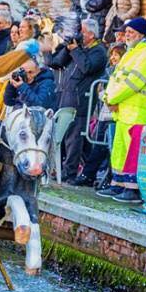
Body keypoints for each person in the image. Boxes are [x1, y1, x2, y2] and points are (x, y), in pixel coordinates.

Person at [97, 17, 146, 203]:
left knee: (132, 151)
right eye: (126, 33)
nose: (127, 36)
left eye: (131, 32)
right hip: (123, 110)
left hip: (138, 111)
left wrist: (112, 98)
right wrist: (108, 98)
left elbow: (132, 83)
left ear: (141, 34)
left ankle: (132, 188)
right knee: (119, 149)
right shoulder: (132, 52)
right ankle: (118, 183)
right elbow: (116, 78)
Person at [48, 18, 108, 178]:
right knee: (67, 136)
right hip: (66, 97)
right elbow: (56, 63)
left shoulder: (99, 51)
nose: (79, 35)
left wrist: (75, 50)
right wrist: (68, 48)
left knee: (73, 139)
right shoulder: (79, 48)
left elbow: (87, 67)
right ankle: (68, 170)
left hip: (81, 101)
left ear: (91, 34)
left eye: (82, 31)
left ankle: (70, 173)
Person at [72, 42, 128, 187]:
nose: (114, 57)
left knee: (107, 148)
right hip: (105, 111)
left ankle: (100, 176)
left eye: (117, 54)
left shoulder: (122, 72)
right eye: (113, 54)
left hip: (115, 114)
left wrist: (108, 98)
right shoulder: (109, 71)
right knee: (99, 145)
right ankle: (89, 174)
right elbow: (100, 88)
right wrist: (105, 97)